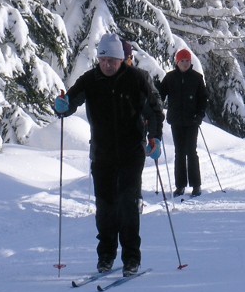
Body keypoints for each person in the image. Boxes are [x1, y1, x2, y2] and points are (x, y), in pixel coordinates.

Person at [53, 33, 165, 277]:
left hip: (131, 152)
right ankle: (105, 256)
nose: (108, 65)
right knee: (105, 207)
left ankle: (131, 258)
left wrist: (154, 137)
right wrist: (63, 106)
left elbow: (154, 110)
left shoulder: (137, 79)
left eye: (113, 60)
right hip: (102, 153)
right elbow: (71, 100)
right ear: (99, 59)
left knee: (127, 204)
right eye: (104, 60)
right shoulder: (90, 80)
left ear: (121, 60)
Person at [159, 49, 208, 198]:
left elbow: (203, 99)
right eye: (182, 61)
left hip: (192, 121)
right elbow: (160, 94)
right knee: (179, 153)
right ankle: (180, 186)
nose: (185, 64)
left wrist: (199, 115)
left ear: (190, 62)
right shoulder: (170, 77)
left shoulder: (197, 78)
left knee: (191, 152)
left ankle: (196, 185)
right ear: (177, 62)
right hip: (176, 121)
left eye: (187, 61)